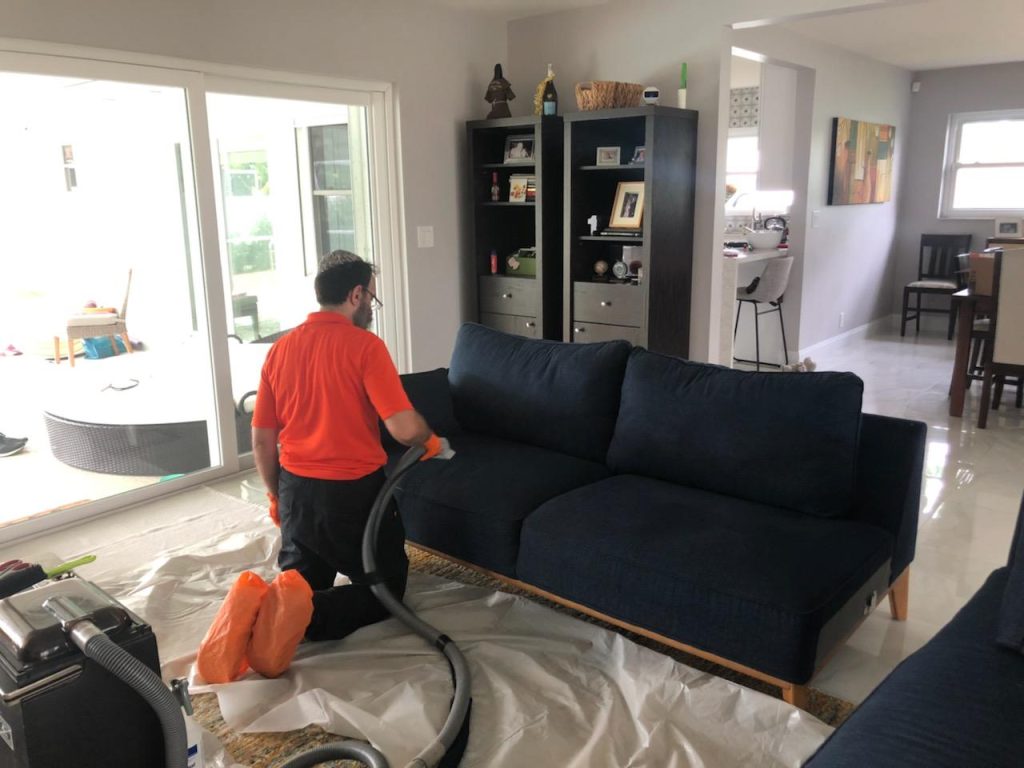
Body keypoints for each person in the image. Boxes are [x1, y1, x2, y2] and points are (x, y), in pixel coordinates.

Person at [200, 253, 446, 680]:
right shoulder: (365, 346)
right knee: (385, 591)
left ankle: (260, 611)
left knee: (300, 583)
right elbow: (402, 426)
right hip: (354, 497)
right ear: (356, 295)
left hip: (297, 492)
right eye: (371, 296)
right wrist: (430, 441)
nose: (371, 305)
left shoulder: (282, 348)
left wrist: (277, 495)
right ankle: (299, 618)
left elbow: (261, 438)